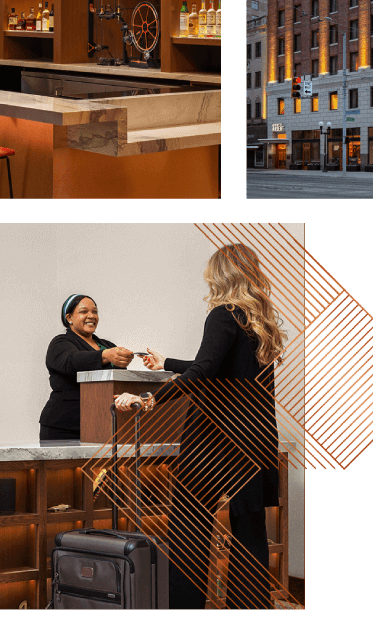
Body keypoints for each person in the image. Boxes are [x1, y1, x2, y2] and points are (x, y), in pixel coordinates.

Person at [114, 244, 286, 609]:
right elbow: (222, 366)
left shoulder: (223, 314)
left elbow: (203, 372)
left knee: (189, 531)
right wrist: (167, 363)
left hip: (214, 441)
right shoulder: (257, 322)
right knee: (249, 534)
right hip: (252, 442)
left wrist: (150, 400)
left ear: (220, 276)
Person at [40, 294, 133, 441]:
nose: (91, 316)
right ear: (69, 318)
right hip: (65, 427)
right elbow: (73, 361)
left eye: (95, 312)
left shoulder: (107, 345)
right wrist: (105, 355)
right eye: (84, 312)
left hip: (104, 425)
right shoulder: (60, 343)